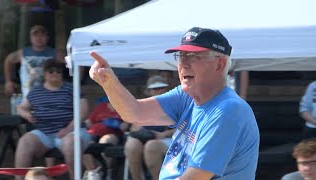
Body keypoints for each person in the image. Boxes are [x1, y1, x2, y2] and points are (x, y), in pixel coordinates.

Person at [89, 27, 259, 179]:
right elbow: (134, 113)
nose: (183, 63)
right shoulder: (187, 96)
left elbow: (195, 177)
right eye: (181, 56)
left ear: (219, 64)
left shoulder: (228, 110)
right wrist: (108, 83)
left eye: (192, 56)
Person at [16, 60, 91, 180]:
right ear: (45, 74)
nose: (55, 73)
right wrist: (25, 113)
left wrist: (67, 129)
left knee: (70, 142)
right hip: (44, 133)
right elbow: (21, 107)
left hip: (72, 132)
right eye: (51, 71)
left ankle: (75, 178)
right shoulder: (35, 91)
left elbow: (83, 112)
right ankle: (19, 178)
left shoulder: (72, 89)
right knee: (24, 142)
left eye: (58, 71)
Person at [124, 75, 175, 180]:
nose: (159, 91)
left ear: (167, 89)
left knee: (151, 147)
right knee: (132, 146)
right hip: (145, 136)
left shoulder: (175, 104)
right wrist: (140, 130)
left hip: (167, 138)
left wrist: (163, 134)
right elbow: (133, 127)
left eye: (162, 88)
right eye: (155, 89)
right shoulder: (141, 105)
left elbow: (185, 127)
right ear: (149, 91)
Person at [4, 25, 65, 99]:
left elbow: (76, 62)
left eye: (42, 35)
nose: (39, 38)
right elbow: (8, 60)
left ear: (47, 38)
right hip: (28, 95)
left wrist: (78, 81)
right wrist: (8, 81)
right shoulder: (22, 53)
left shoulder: (55, 53)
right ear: (30, 38)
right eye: (35, 35)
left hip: (49, 97)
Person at [82, 96, 130, 180]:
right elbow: (89, 122)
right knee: (82, 142)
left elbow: (125, 126)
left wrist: (120, 124)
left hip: (113, 134)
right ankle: (92, 171)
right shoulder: (101, 107)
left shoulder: (125, 108)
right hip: (93, 133)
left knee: (106, 141)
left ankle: (107, 171)